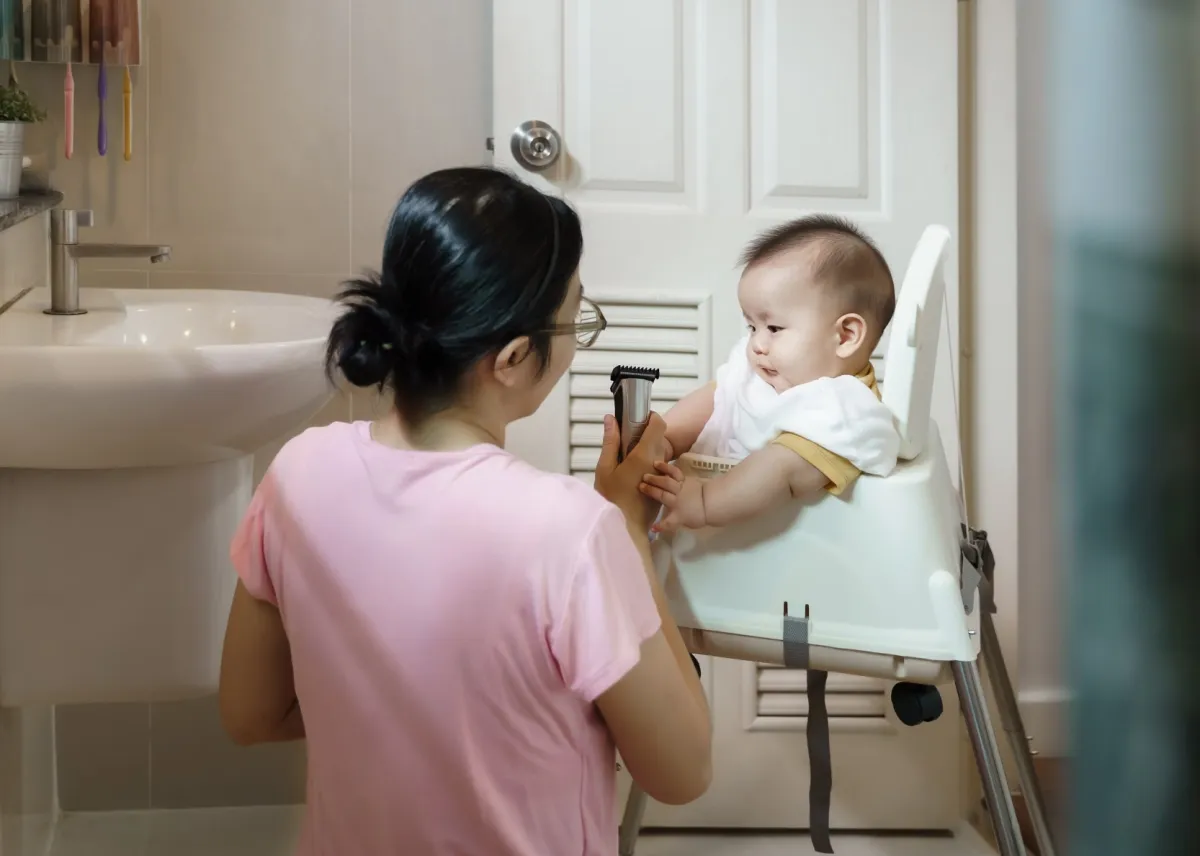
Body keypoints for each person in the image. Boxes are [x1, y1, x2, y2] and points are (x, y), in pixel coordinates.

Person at [217, 167, 711, 855]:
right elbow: (682, 771)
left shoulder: (299, 473)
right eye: (573, 320)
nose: (572, 342)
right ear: (511, 358)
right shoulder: (570, 532)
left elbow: (248, 713)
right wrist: (627, 527)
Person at [642, 215, 902, 532]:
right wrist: (664, 440)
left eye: (774, 328)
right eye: (752, 326)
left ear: (845, 336)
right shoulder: (767, 368)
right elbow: (719, 397)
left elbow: (780, 470)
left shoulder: (841, 413)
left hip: (761, 549)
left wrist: (705, 502)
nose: (757, 344)